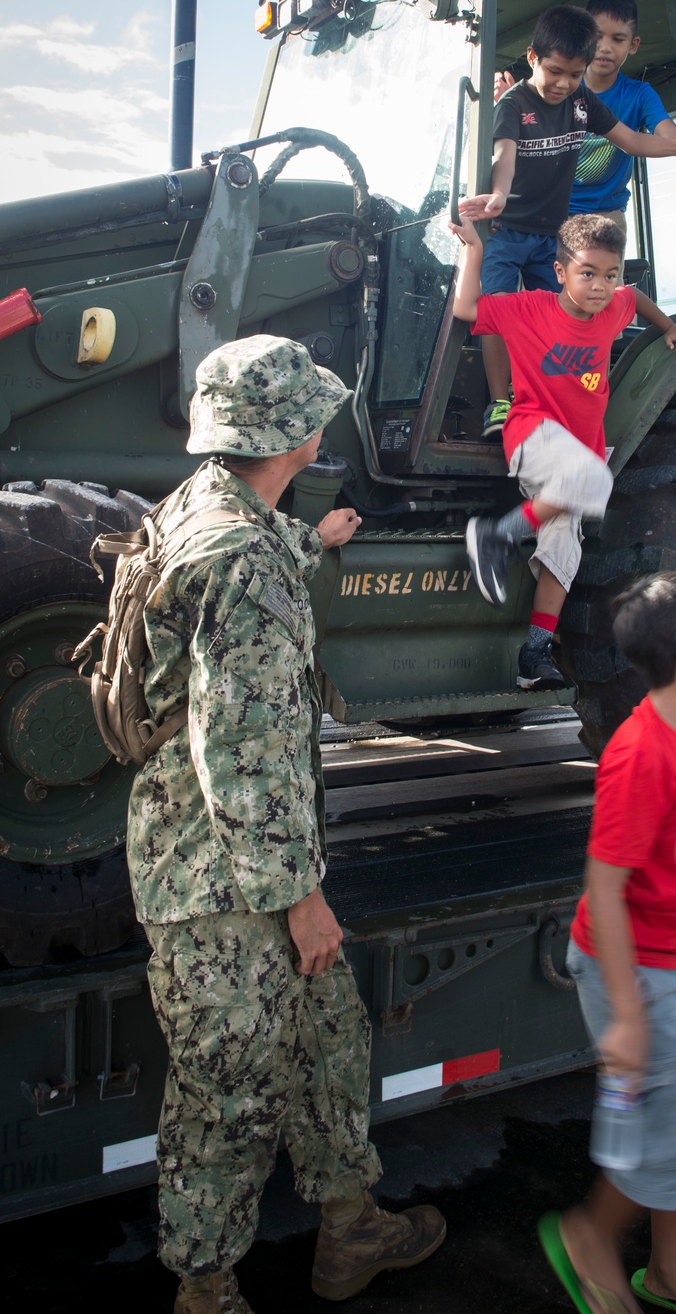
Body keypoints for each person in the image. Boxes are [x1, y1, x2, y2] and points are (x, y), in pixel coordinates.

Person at [127, 335, 445, 1314]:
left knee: (323, 1037)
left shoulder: (206, 509)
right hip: (220, 882)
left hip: (231, 858)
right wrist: (302, 902)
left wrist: (316, 542)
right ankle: (206, 1288)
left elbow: (230, 600)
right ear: (298, 433)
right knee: (225, 1093)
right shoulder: (245, 560)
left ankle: (349, 1225)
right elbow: (246, 755)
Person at [538, 571, 676, 1314]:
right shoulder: (641, 752)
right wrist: (627, 1013)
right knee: (665, 1122)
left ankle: (667, 1270)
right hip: (640, 975)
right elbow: (605, 887)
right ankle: (589, 1237)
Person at [448, 212, 676, 689]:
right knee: (593, 480)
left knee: (563, 548)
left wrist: (668, 326)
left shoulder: (615, 306)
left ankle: (534, 655)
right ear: (560, 271)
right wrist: (474, 250)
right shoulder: (528, 308)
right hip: (533, 433)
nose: (600, 286)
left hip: (579, 453)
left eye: (610, 275)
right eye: (587, 273)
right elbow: (467, 310)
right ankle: (496, 536)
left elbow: (636, 299)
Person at [463, 4, 676, 438]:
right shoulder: (515, 104)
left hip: (550, 236)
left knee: (556, 319)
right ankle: (500, 403)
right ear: (533, 58)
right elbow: (504, 155)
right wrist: (499, 196)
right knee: (500, 314)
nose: (563, 84)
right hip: (508, 229)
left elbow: (632, 140)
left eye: (574, 75)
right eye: (555, 71)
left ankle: (543, 399)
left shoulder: (581, 102)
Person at [496, 0, 676, 239]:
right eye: (598, 38)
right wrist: (515, 102)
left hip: (605, 213)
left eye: (617, 39)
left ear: (633, 44)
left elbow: (667, 134)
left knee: (601, 277)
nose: (604, 48)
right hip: (550, 211)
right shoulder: (557, 90)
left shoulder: (638, 95)